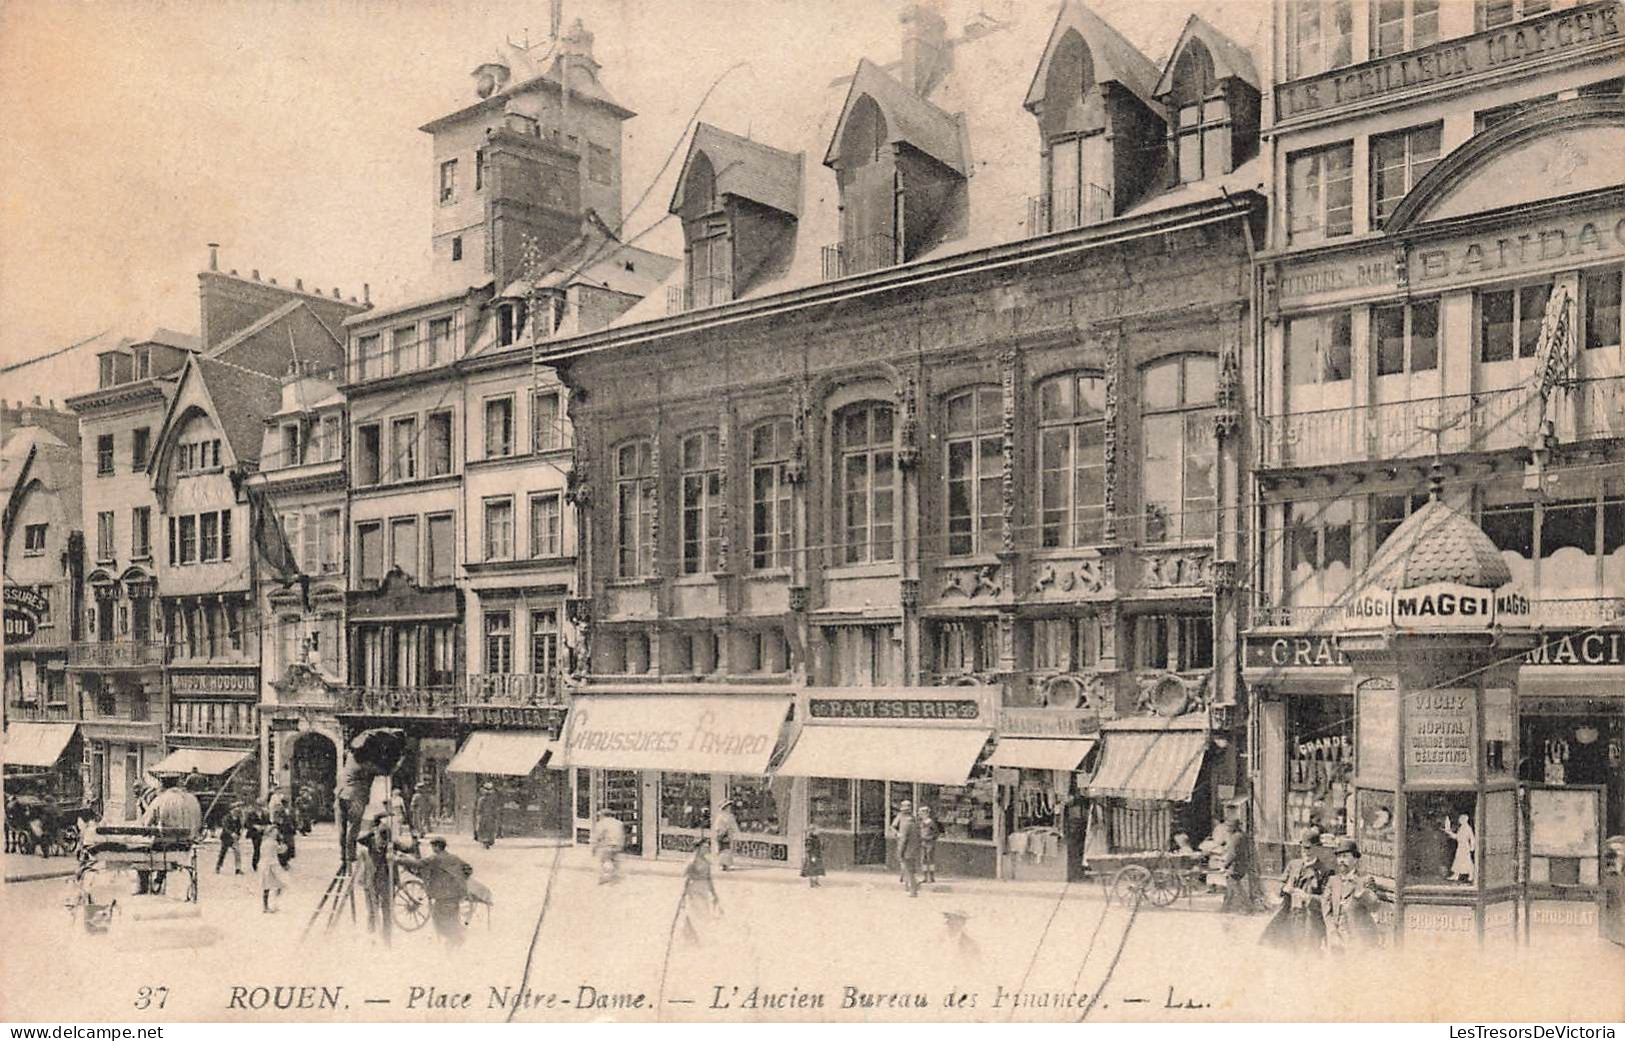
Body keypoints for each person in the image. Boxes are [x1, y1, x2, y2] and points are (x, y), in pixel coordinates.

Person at [397, 835, 473, 947]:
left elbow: (418, 864)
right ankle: (455, 940)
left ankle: (455, 939)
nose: (432, 848)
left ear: (437, 847)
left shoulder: (435, 858)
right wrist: (458, 880)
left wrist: (398, 860)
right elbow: (468, 869)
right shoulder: (454, 857)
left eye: (433, 846)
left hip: (443, 896)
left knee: (437, 918)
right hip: (456, 895)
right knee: (452, 918)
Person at [135, 774, 202, 895]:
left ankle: (144, 888)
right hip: (186, 846)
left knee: (143, 852)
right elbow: (198, 823)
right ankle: (159, 880)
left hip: (164, 847)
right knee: (165, 846)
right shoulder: (193, 799)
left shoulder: (161, 799)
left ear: (162, 784)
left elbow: (146, 824)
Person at [1261, 832, 1328, 950]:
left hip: (1309, 920)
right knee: (1286, 951)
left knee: (1308, 953)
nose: (1306, 852)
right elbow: (1279, 885)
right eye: (1303, 848)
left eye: (1309, 848)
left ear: (1318, 849)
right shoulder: (1293, 864)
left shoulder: (1325, 871)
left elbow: (1326, 900)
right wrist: (1284, 888)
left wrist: (1307, 897)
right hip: (1289, 916)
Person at [1321, 837, 1380, 953]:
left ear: (1355, 859)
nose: (1341, 860)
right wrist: (1333, 932)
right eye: (1339, 857)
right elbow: (1326, 908)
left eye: (1345, 856)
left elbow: (1374, 906)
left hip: (1358, 940)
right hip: (1336, 939)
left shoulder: (1365, 879)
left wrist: (1360, 891)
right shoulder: (1333, 881)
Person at [679, 842, 722, 945]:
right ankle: (690, 936)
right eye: (705, 847)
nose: (707, 849)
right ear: (699, 849)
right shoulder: (692, 861)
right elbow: (684, 875)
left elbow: (709, 878)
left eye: (708, 847)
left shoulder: (707, 862)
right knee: (694, 912)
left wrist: (714, 894)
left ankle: (701, 937)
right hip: (694, 888)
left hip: (704, 888)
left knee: (704, 912)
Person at [591, 809, 626, 884]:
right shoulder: (619, 823)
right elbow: (622, 834)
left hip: (607, 844)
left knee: (606, 860)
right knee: (615, 861)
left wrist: (594, 848)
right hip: (618, 844)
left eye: (600, 815)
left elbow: (597, 836)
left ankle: (606, 877)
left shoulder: (601, 823)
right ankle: (616, 878)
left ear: (603, 815)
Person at [896, 804, 923, 898]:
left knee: (909, 871)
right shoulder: (915, 824)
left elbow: (903, 840)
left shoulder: (905, 825)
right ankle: (914, 886)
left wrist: (900, 852)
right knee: (911, 870)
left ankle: (913, 890)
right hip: (915, 850)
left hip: (907, 851)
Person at [260, 832, 292, 912]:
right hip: (272, 866)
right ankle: (274, 904)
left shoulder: (264, 842)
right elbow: (282, 850)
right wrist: (283, 842)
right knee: (280, 883)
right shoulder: (273, 843)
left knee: (267, 887)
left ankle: (266, 906)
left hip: (265, 865)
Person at [1442, 813, 1476, 883]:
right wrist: (1450, 833)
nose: (1459, 820)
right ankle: (1456, 875)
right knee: (1459, 860)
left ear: (1464, 820)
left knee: (1467, 861)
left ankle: (1471, 875)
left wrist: (1472, 847)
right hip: (1461, 846)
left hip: (1465, 847)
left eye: (1461, 819)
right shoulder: (1462, 828)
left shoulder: (1467, 828)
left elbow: (1472, 838)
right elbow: (1458, 837)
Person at [1199, 818, 1230, 893]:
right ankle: (1212, 886)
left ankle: (1218, 887)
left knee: (1217, 870)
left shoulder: (1221, 828)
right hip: (1217, 852)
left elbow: (1219, 840)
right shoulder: (1220, 828)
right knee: (1213, 870)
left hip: (1220, 851)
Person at [215, 803, 244, 874]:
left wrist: (238, 834)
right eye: (235, 810)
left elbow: (239, 827)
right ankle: (218, 866)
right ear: (231, 810)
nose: (236, 812)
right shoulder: (226, 818)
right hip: (226, 838)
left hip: (234, 839)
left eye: (237, 811)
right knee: (223, 853)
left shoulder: (238, 819)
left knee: (237, 852)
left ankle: (238, 868)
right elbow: (225, 827)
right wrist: (231, 833)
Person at [890, 800, 914, 883]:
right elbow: (893, 827)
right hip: (902, 839)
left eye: (908, 808)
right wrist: (897, 834)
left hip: (910, 840)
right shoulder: (899, 816)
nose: (906, 811)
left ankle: (906, 875)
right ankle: (903, 875)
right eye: (905, 809)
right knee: (902, 857)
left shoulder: (913, 817)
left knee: (908, 857)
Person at [916, 804, 940, 884]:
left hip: (929, 843)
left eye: (921, 813)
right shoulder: (921, 823)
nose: (920, 815)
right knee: (923, 859)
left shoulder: (931, 822)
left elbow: (936, 833)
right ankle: (925, 877)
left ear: (926, 813)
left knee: (930, 859)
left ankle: (931, 877)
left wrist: (931, 838)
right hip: (923, 842)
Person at [713, 800, 740, 871]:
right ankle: (722, 864)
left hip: (729, 833)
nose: (729, 808)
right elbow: (717, 826)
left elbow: (734, 825)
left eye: (729, 807)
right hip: (723, 833)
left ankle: (728, 864)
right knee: (723, 849)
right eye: (727, 807)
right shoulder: (720, 816)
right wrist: (721, 832)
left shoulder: (730, 816)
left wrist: (735, 831)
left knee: (728, 849)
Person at [474, 783, 501, 849]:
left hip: (489, 817)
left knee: (489, 829)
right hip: (485, 817)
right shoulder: (482, 800)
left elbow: (495, 808)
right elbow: (479, 809)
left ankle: (487, 841)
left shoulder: (492, 800)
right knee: (485, 829)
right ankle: (486, 841)